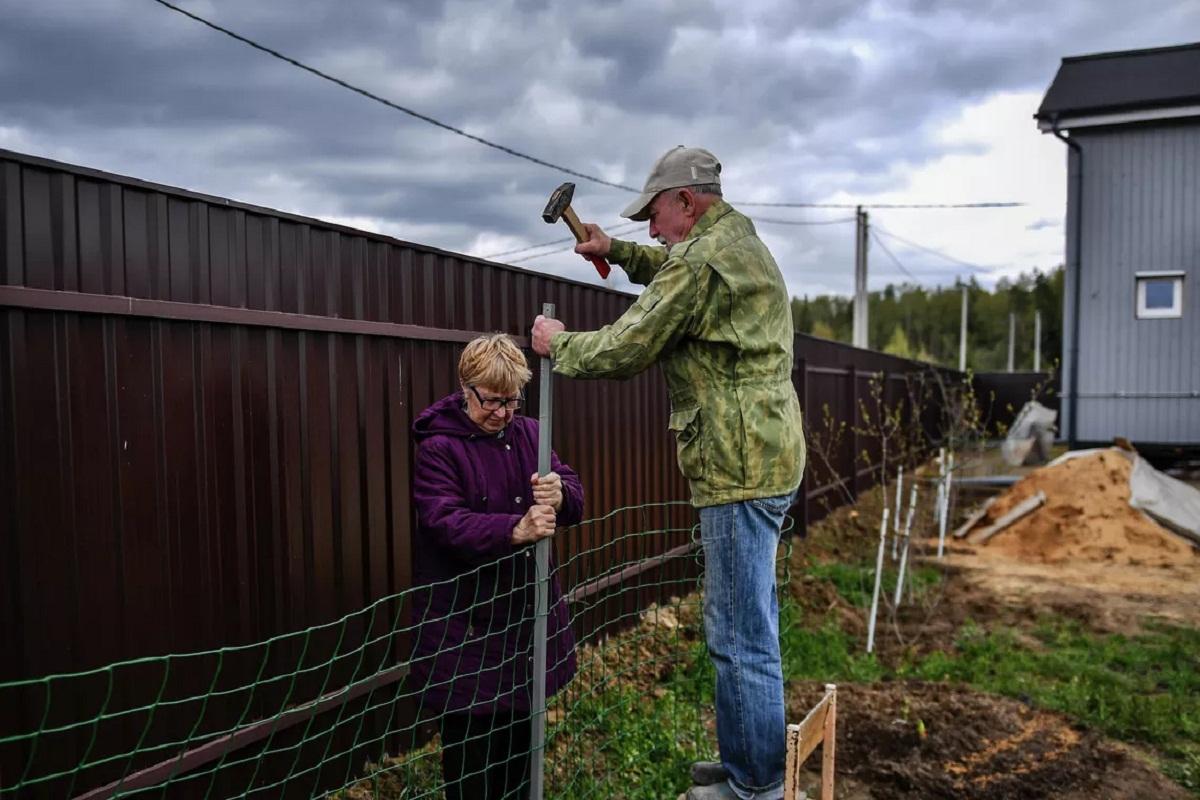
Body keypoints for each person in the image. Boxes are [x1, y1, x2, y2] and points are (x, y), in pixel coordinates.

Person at [531, 146, 805, 800]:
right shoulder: (732, 240)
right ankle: (748, 764)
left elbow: (633, 343)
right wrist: (618, 252)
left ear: (687, 200)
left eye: (654, 215)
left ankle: (756, 787)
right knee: (747, 625)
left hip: (737, 464)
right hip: (763, 454)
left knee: (739, 637)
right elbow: (672, 270)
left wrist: (557, 345)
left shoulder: (704, 259)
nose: (650, 230)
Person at [409, 333, 583, 800]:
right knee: (471, 770)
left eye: (512, 401)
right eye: (492, 401)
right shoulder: (439, 449)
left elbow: (570, 488)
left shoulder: (528, 435)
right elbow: (443, 521)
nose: (503, 412)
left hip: (524, 629)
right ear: (466, 389)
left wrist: (561, 493)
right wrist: (515, 529)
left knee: (519, 762)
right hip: (464, 632)